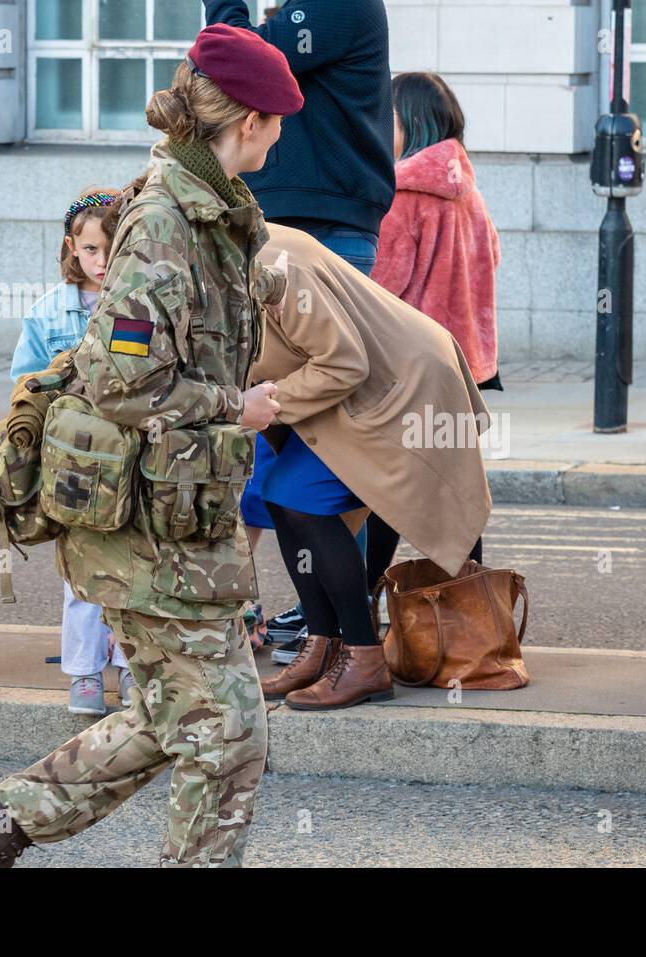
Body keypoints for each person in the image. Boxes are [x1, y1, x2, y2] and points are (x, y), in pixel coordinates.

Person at [0, 24, 298, 868]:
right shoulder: (164, 223)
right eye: (278, 120)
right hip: (145, 531)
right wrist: (244, 403)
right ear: (247, 121)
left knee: (175, 718)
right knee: (229, 736)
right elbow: (123, 383)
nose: (284, 134)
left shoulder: (213, 211)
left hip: (178, 518)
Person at [206, 0, 395, 660]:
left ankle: (349, 633)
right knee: (292, 455)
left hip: (325, 233)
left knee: (329, 449)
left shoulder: (340, 5)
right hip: (279, 228)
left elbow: (236, 58)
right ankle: (328, 624)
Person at [252, 223, 493, 710]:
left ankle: (364, 659)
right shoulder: (236, 246)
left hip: (404, 381)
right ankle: (324, 645)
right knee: (281, 494)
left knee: (299, 499)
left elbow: (343, 364)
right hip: (364, 382)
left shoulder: (269, 264)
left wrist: (260, 405)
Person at [368, 71, 500, 581]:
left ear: (412, 123)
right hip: (464, 369)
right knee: (456, 497)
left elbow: (380, 286)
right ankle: (474, 614)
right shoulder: (468, 191)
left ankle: (353, 609)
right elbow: (493, 258)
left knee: (385, 490)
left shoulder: (401, 194)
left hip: (412, 369)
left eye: (389, 116)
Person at [9, 189, 135, 716]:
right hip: (73, 463)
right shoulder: (47, 313)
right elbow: (23, 383)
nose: (101, 261)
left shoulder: (137, 303)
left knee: (132, 568)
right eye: (90, 250)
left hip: (129, 457)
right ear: (71, 248)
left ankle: (133, 669)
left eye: (111, 248)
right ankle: (84, 673)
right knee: (81, 569)